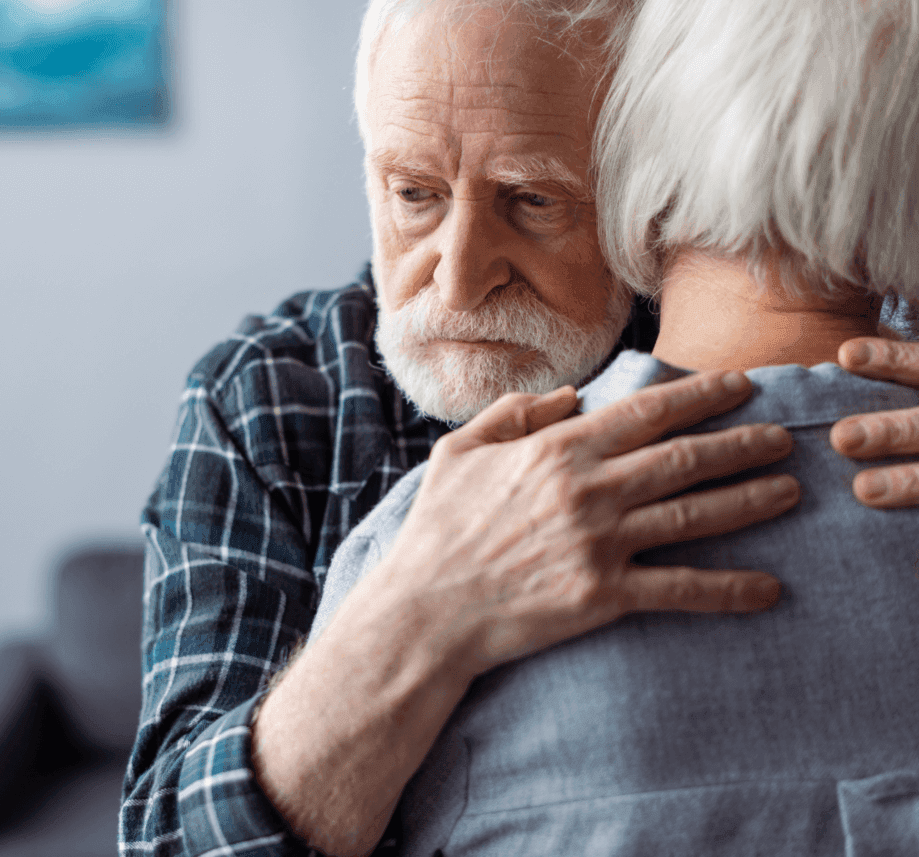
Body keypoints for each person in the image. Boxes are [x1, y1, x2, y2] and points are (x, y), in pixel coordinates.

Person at [120, 1, 919, 855]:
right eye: (414, 194)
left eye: (534, 199)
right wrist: (417, 614)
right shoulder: (273, 395)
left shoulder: (771, 320)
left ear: (647, 186)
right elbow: (166, 839)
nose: (460, 278)